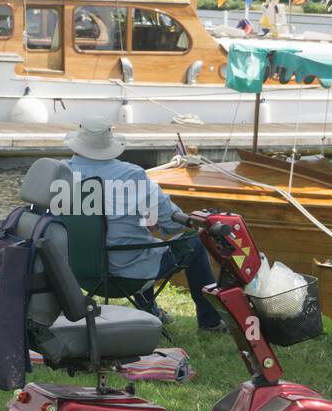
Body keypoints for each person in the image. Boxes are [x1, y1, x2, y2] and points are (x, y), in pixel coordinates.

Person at [64, 117, 224, 332]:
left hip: (80, 273)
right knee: (193, 243)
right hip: (128, 276)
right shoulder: (132, 175)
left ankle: (149, 309)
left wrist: (142, 219)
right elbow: (172, 223)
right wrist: (149, 219)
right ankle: (210, 322)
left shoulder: (61, 173)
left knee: (140, 239)